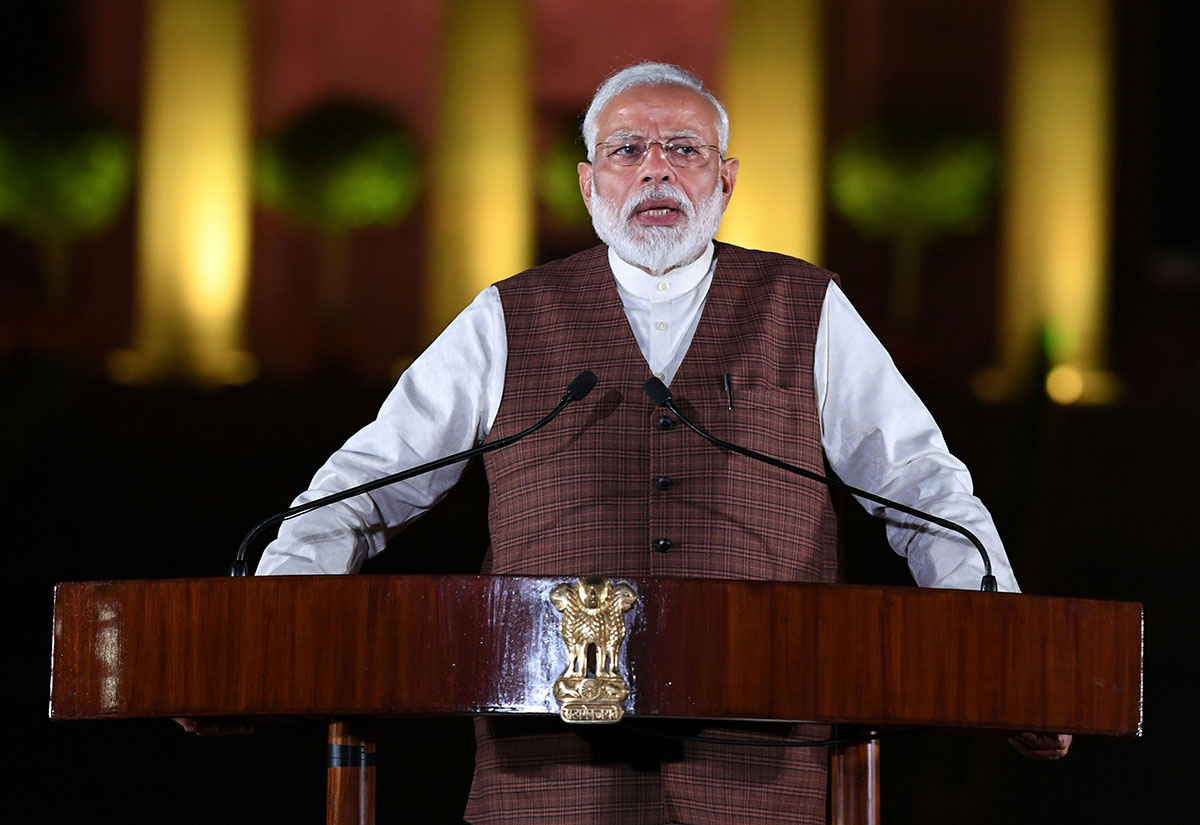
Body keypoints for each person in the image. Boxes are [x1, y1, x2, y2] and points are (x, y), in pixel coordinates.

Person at [255, 62, 1069, 824]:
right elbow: (365, 482)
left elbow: (924, 487)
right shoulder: (508, 315)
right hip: (548, 769)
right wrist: (270, 620)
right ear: (588, 181)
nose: (656, 170)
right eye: (627, 149)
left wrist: (999, 650)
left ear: (725, 177)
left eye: (684, 149)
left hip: (758, 763)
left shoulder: (807, 306)